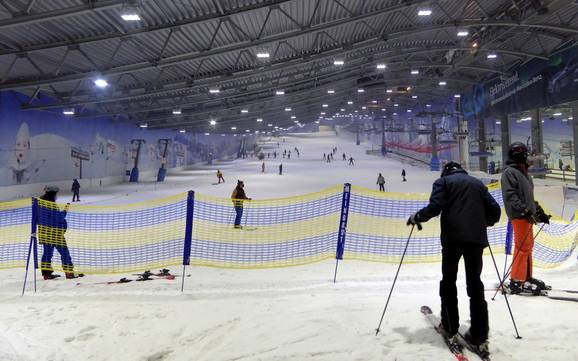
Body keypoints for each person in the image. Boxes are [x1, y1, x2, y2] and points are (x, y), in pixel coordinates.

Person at [407, 162, 501, 358]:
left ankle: (450, 326)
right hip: (476, 240)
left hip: (453, 240)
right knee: (475, 284)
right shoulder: (477, 184)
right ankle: (479, 335)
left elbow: (435, 207)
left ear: (446, 172)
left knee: (449, 282)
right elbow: (495, 211)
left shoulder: (443, 182)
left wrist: (417, 217)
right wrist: (481, 223)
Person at [501, 142, 551, 294]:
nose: (526, 157)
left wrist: (538, 212)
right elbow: (511, 196)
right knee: (522, 247)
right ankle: (517, 280)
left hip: (527, 216)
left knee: (528, 246)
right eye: (523, 154)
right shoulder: (509, 173)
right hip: (518, 215)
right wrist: (524, 211)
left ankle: (526, 277)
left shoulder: (525, 175)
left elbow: (528, 198)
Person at [38, 186, 84, 280]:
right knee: (64, 253)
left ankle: (46, 274)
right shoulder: (51, 205)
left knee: (47, 254)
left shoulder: (39, 204)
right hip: (55, 234)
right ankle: (69, 273)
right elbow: (58, 217)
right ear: (52, 194)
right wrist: (65, 211)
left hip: (44, 233)